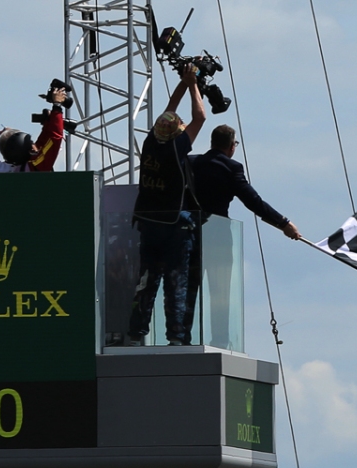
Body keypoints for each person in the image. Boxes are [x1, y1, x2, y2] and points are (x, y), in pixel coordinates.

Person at [188, 124, 300, 338]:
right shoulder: (231, 168)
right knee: (220, 292)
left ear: (212, 142)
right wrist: (284, 224)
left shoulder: (191, 163)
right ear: (232, 146)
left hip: (190, 234)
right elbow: (254, 202)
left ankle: (182, 336)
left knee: (189, 288)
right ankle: (220, 338)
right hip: (219, 238)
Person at [126, 66, 208, 347]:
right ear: (176, 133)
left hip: (148, 224)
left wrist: (184, 83)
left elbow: (169, 109)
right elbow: (201, 117)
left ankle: (136, 332)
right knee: (176, 283)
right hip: (174, 226)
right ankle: (176, 337)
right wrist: (194, 84)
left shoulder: (150, 142)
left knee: (146, 280)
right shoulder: (177, 148)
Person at [0, 82, 71, 173]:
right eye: (31, 144)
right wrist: (57, 106)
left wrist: (48, 124)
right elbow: (54, 139)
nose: (34, 146)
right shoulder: (36, 166)